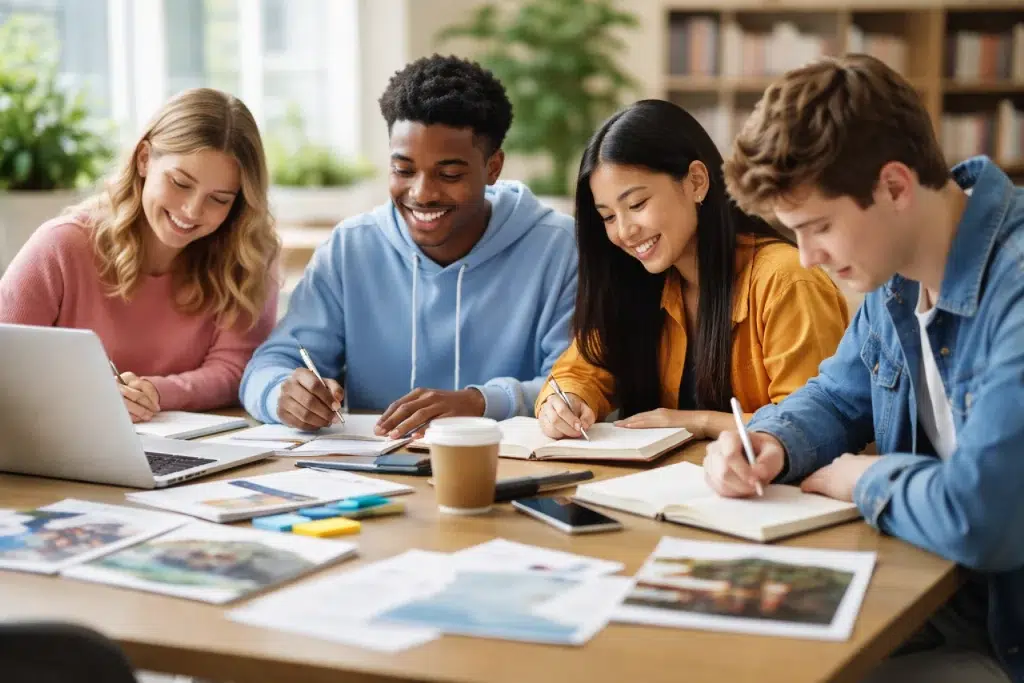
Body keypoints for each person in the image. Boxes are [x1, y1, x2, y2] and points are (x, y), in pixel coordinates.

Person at [707, 54, 1022, 683]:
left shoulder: (1015, 288)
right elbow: (837, 395)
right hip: (941, 604)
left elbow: (980, 518)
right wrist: (768, 440)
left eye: (818, 227)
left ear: (896, 187)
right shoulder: (893, 275)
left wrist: (862, 480)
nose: (805, 259)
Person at [240, 55, 577, 437]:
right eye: (403, 170)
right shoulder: (351, 248)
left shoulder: (559, 249)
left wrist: (478, 402)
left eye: (449, 174)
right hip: (375, 473)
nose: (422, 193)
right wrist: (280, 393)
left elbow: (579, 388)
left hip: (513, 470)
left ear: (493, 168)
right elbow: (268, 365)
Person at [534, 99, 849, 441]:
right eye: (608, 216)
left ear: (696, 181)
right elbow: (580, 370)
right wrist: (563, 401)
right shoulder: (639, 279)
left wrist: (700, 422)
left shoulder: (786, 280)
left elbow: (813, 426)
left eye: (637, 204)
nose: (623, 231)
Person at [0, 88, 279, 422]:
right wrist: (99, 396)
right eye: (180, 183)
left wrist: (151, 393)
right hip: (63, 443)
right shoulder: (61, 246)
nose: (191, 210)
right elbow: (8, 360)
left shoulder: (246, 259)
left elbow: (234, 371)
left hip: (186, 450)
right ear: (144, 158)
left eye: (218, 199)